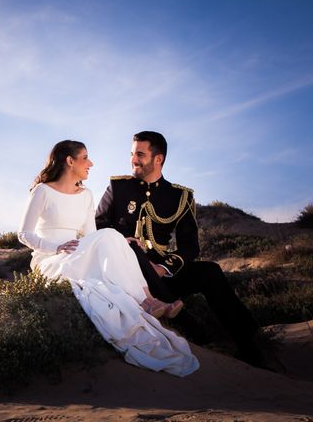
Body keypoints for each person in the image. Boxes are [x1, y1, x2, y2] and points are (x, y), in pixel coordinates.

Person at [17, 140, 199, 377]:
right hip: (51, 259)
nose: (91, 163)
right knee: (110, 236)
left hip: (78, 252)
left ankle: (148, 299)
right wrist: (56, 247)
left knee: (115, 238)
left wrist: (118, 243)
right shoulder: (42, 191)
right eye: (85, 158)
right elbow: (24, 234)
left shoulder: (86, 195)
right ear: (70, 161)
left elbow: (93, 236)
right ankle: (148, 300)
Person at [95, 131, 264, 366]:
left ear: (158, 159)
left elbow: (190, 245)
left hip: (162, 274)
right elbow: (98, 226)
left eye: (140, 154)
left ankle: (251, 345)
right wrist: (121, 241)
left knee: (210, 272)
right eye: (132, 153)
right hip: (126, 273)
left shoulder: (179, 196)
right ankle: (197, 335)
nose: (134, 159)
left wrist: (164, 267)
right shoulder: (118, 187)